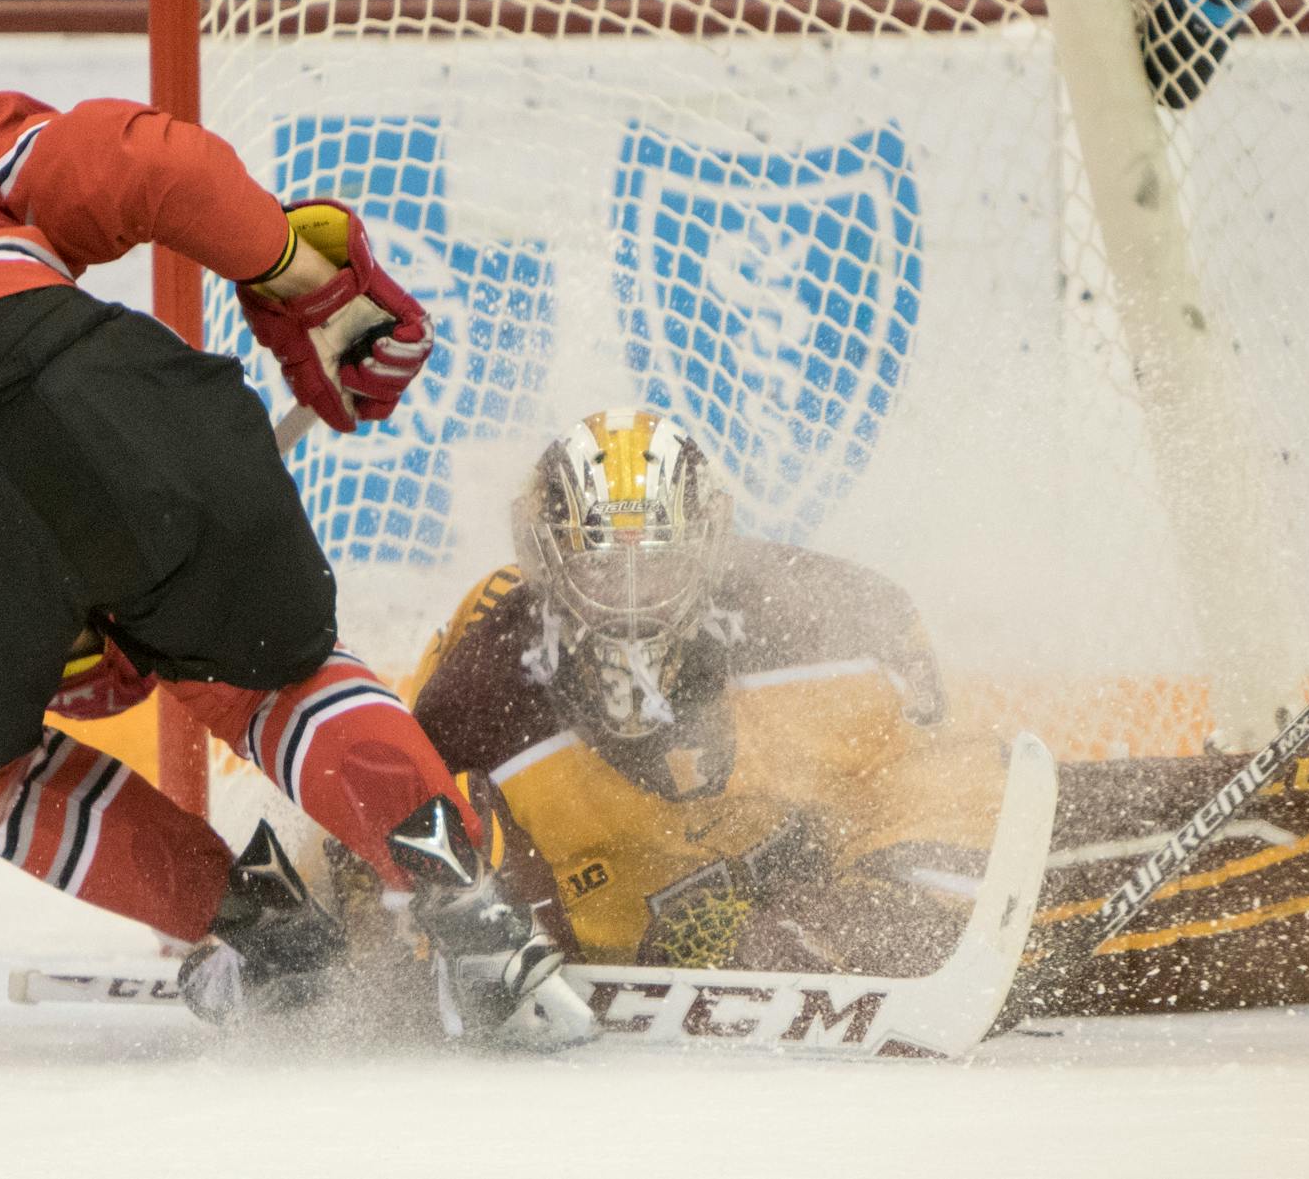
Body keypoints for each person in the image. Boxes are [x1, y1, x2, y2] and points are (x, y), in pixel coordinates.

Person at [0, 44, 589, 1042]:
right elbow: (157, 166)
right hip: (89, 377)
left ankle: (265, 934)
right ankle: (468, 905)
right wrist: (297, 277)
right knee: (268, 672)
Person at [399, 407, 995, 977]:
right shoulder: (475, 691)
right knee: (461, 828)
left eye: (656, 562)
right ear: (546, 560)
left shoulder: (834, 620)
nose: (630, 597)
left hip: (784, 870)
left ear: (710, 549)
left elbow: (923, 774)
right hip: (587, 912)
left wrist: (877, 903)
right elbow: (394, 858)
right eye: (601, 565)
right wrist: (536, 948)